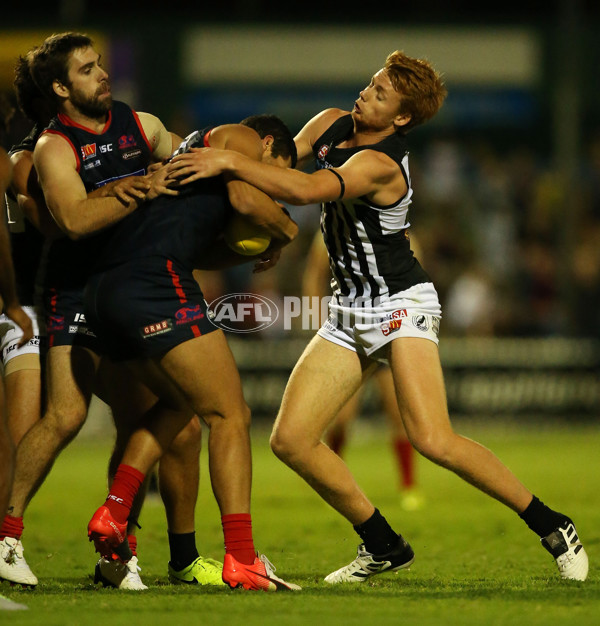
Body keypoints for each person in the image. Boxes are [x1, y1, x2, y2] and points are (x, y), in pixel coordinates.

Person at [166, 50, 589, 583]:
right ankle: (383, 543)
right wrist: (261, 223)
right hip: (349, 308)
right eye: (372, 83)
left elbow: (306, 189)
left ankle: (553, 525)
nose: (366, 93)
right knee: (290, 441)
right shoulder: (330, 123)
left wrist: (226, 161)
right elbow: (280, 168)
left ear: (403, 118)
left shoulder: (382, 163)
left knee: (433, 439)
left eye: (381, 94)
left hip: (399, 303)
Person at [0, 33, 220, 592]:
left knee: (151, 418)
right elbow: (72, 221)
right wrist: (140, 185)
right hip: (72, 292)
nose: (102, 75)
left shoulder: (141, 125)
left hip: (127, 291)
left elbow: (188, 174)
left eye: (100, 65)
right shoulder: (53, 147)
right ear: (60, 87)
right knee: (66, 416)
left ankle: (116, 549)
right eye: (87, 69)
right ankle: (7, 538)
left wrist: (247, 221)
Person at [83, 115, 300, 591]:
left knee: (181, 402)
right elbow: (248, 197)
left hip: (106, 289)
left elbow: (200, 251)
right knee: (231, 415)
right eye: (277, 174)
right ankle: (242, 558)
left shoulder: (196, 166)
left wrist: (249, 252)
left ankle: (115, 513)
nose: (275, 187)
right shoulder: (238, 138)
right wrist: (286, 228)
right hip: (154, 283)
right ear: (266, 144)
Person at [302, 229, 423, 511]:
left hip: (390, 333)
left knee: (399, 415)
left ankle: (408, 486)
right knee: (341, 419)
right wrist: (318, 322)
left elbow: (417, 281)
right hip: (350, 334)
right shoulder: (331, 230)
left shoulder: (401, 233)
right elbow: (314, 275)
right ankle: (331, 485)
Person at [0, 146, 30, 611]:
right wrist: (10, 299)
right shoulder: (10, 163)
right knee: (12, 439)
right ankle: (8, 540)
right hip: (32, 303)